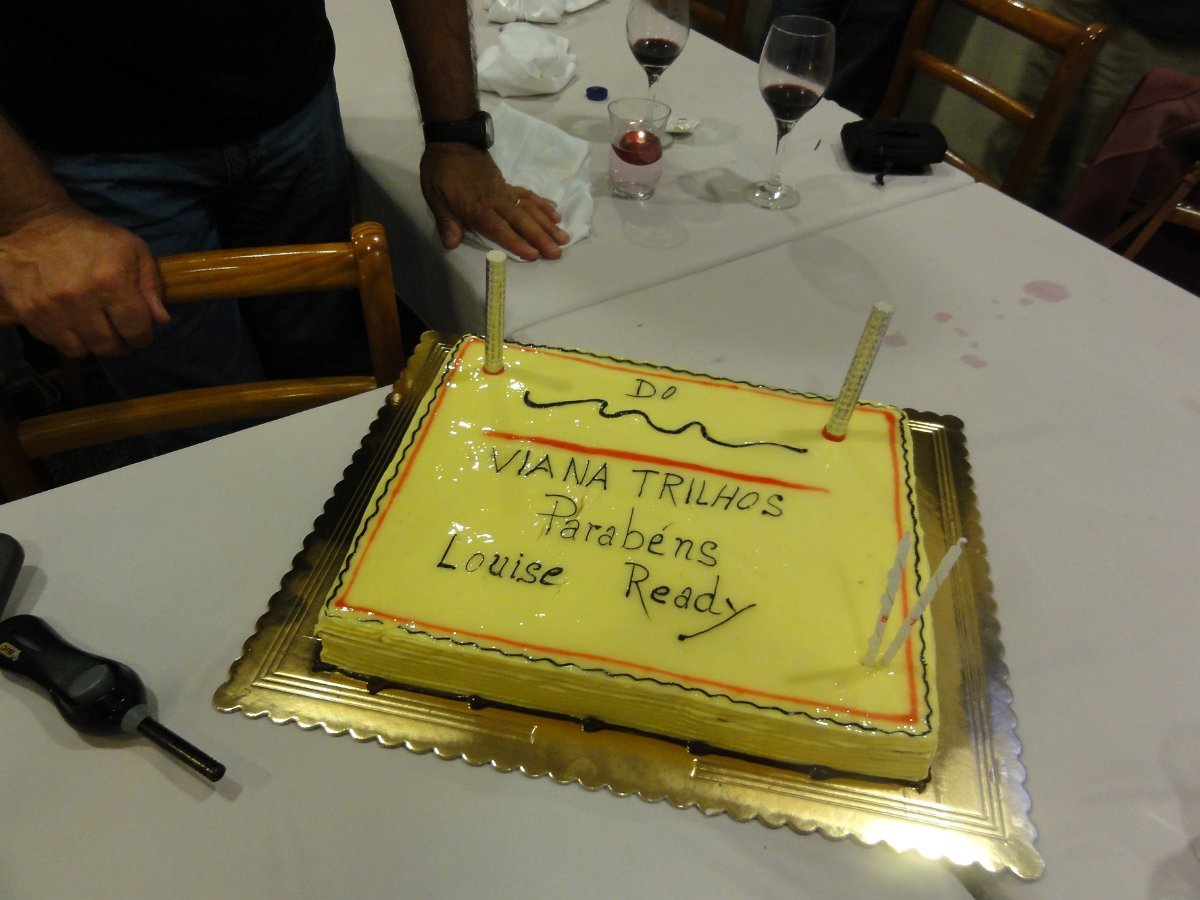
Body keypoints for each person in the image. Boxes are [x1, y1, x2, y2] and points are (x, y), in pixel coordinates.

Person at [0, 3, 569, 448]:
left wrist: (456, 135)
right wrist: (35, 214)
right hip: (88, 147)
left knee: (326, 364)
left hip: (292, 104)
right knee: (207, 425)